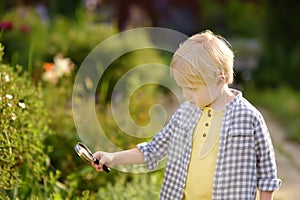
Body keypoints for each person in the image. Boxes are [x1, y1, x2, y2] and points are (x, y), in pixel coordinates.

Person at [92, 30, 281, 200]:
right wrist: (112, 157)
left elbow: (267, 174)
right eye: (183, 88)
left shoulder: (249, 118)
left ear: (220, 81)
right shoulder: (185, 113)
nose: (185, 95)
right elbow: (152, 149)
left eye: (192, 88)